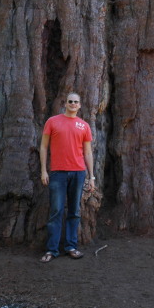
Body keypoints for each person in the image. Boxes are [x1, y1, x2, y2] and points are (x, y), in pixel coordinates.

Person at [39, 92, 95, 263]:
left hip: (78, 173)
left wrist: (91, 177)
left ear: (79, 105)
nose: (72, 104)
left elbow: (87, 152)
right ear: (66, 104)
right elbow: (43, 147)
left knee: (74, 211)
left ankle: (71, 246)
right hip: (57, 173)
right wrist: (43, 170)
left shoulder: (84, 125)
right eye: (70, 101)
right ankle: (52, 249)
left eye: (76, 102)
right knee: (56, 211)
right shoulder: (52, 121)